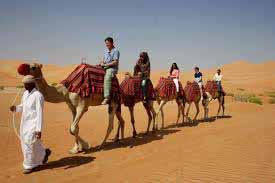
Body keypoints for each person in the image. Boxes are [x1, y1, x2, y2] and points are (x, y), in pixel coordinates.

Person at [10, 75, 51, 174]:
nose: (25, 86)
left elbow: (40, 113)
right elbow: (23, 106)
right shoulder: (25, 94)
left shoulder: (38, 96)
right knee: (29, 143)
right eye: (24, 84)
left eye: (26, 84)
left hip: (34, 124)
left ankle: (29, 165)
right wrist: (16, 108)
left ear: (32, 84)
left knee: (29, 142)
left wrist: (39, 129)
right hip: (25, 123)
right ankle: (44, 153)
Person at [100, 37, 120, 105]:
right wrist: (101, 63)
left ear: (112, 43)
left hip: (112, 68)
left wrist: (106, 64)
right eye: (106, 44)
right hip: (105, 66)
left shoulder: (116, 51)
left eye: (108, 44)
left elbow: (115, 62)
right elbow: (103, 59)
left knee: (107, 77)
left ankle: (107, 97)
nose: (107, 45)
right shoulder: (105, 51)